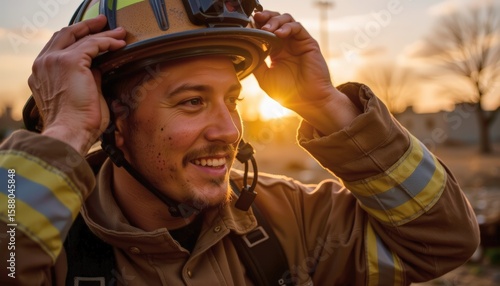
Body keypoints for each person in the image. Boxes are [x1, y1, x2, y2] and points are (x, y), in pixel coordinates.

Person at [0, 0, 479, 285]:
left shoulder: (291, 220)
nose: (229, 129)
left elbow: (444, 240)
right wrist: (64, 129)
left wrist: (326, 104)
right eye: (191, 102)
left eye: (232, 99)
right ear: (112, 122)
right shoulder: (49, 242)